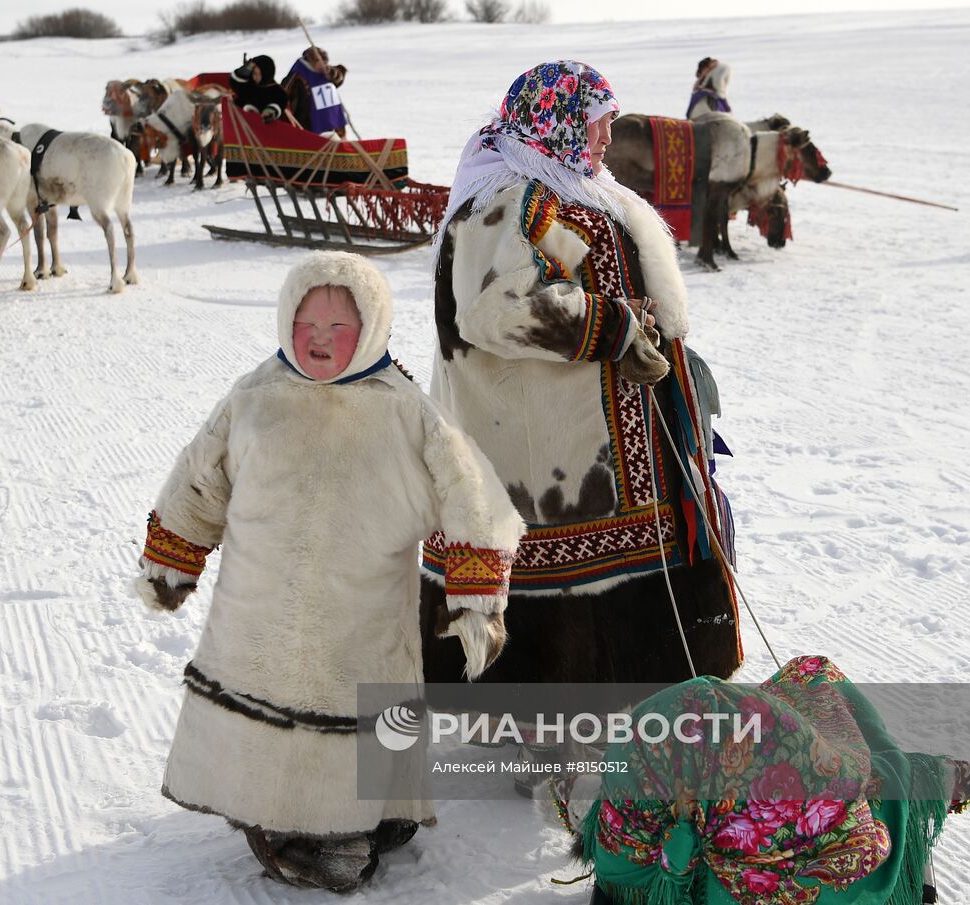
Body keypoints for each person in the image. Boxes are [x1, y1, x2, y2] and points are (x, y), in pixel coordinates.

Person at [138, 251, 523, 891]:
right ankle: (283, 824)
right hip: (257, 610)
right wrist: (172, 558)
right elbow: (200, 479)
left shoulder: (405, 410)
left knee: (358, 706)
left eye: (338, 326)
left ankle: (371, 810)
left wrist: (476, 591)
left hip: (362, 615)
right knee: (268, 710)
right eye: (305, 323)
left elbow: (471, 493)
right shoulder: (255, 397)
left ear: (372, 326)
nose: (318, 339)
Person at [419, 61, 742, 710]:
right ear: (556, 122)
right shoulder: (510, 197)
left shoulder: (563, 183)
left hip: (595, 437)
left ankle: (630, 706)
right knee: (557, 590)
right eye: (595, 124)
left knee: (620, 580)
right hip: (548, 452)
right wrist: (615, 326)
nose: (603, 140)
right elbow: (493, 307)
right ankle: (547, 725)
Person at [559, 655, 970, 905]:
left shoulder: (629, 843)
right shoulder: (801, 832)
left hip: (669, 777)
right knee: (845, 764)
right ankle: (923, 782)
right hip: (739, 772)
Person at [282, 46, 348, 136]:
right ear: (311, 61)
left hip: (333, 127)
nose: (324, 65)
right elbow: (283, 95)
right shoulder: (297, 78)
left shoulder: (324, 72)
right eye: (319, 61)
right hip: (308, 127)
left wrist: (332, 73)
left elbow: (338, 78)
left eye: (325, 62)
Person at [228, 54, 288, 123]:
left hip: (261, 127)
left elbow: (279, 103)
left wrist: (269, 112)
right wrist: (245, 70)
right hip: (240, 122)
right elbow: (236, 83)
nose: (255, 77)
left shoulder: (277, 91)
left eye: (258, 74)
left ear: (266, 74)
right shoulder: (249, 84)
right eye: (254, 73)